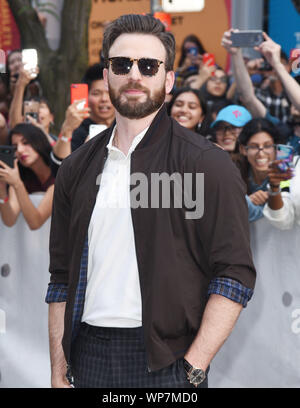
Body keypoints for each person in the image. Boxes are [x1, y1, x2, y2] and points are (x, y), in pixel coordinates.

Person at [46, 14, 256, 389]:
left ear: (169, 79)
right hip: (87, 356)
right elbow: (60, 278)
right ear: (107, 74)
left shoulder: (206, 164)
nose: (135, 75)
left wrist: (193, 368)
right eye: (122, 64)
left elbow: (235, 274)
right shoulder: (77, 167)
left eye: (148, 65)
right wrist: (58, 369)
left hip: (169, 363)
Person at [0, 123, 54, 230]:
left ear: (38, 142)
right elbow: (9, 220)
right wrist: (2, 189)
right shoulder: (19, 175)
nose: (19, 150)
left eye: (25, 143)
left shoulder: (58, 175)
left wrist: (17, 184)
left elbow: (35, 222)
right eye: (15, 147)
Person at [238, 117, 284, 222]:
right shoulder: (236, 171)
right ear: (243, 149)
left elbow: (279, 215)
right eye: (254, 147)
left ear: (276, 148)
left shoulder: (285, 174)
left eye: (267, 146)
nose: (261, 153)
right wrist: (249, 200)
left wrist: (272, 195)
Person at [71, 63, 115, 151]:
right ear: (86, 96)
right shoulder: (77, 132)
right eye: (96, 93)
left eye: (109, 93)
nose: (104, 99)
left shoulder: (128, 127)